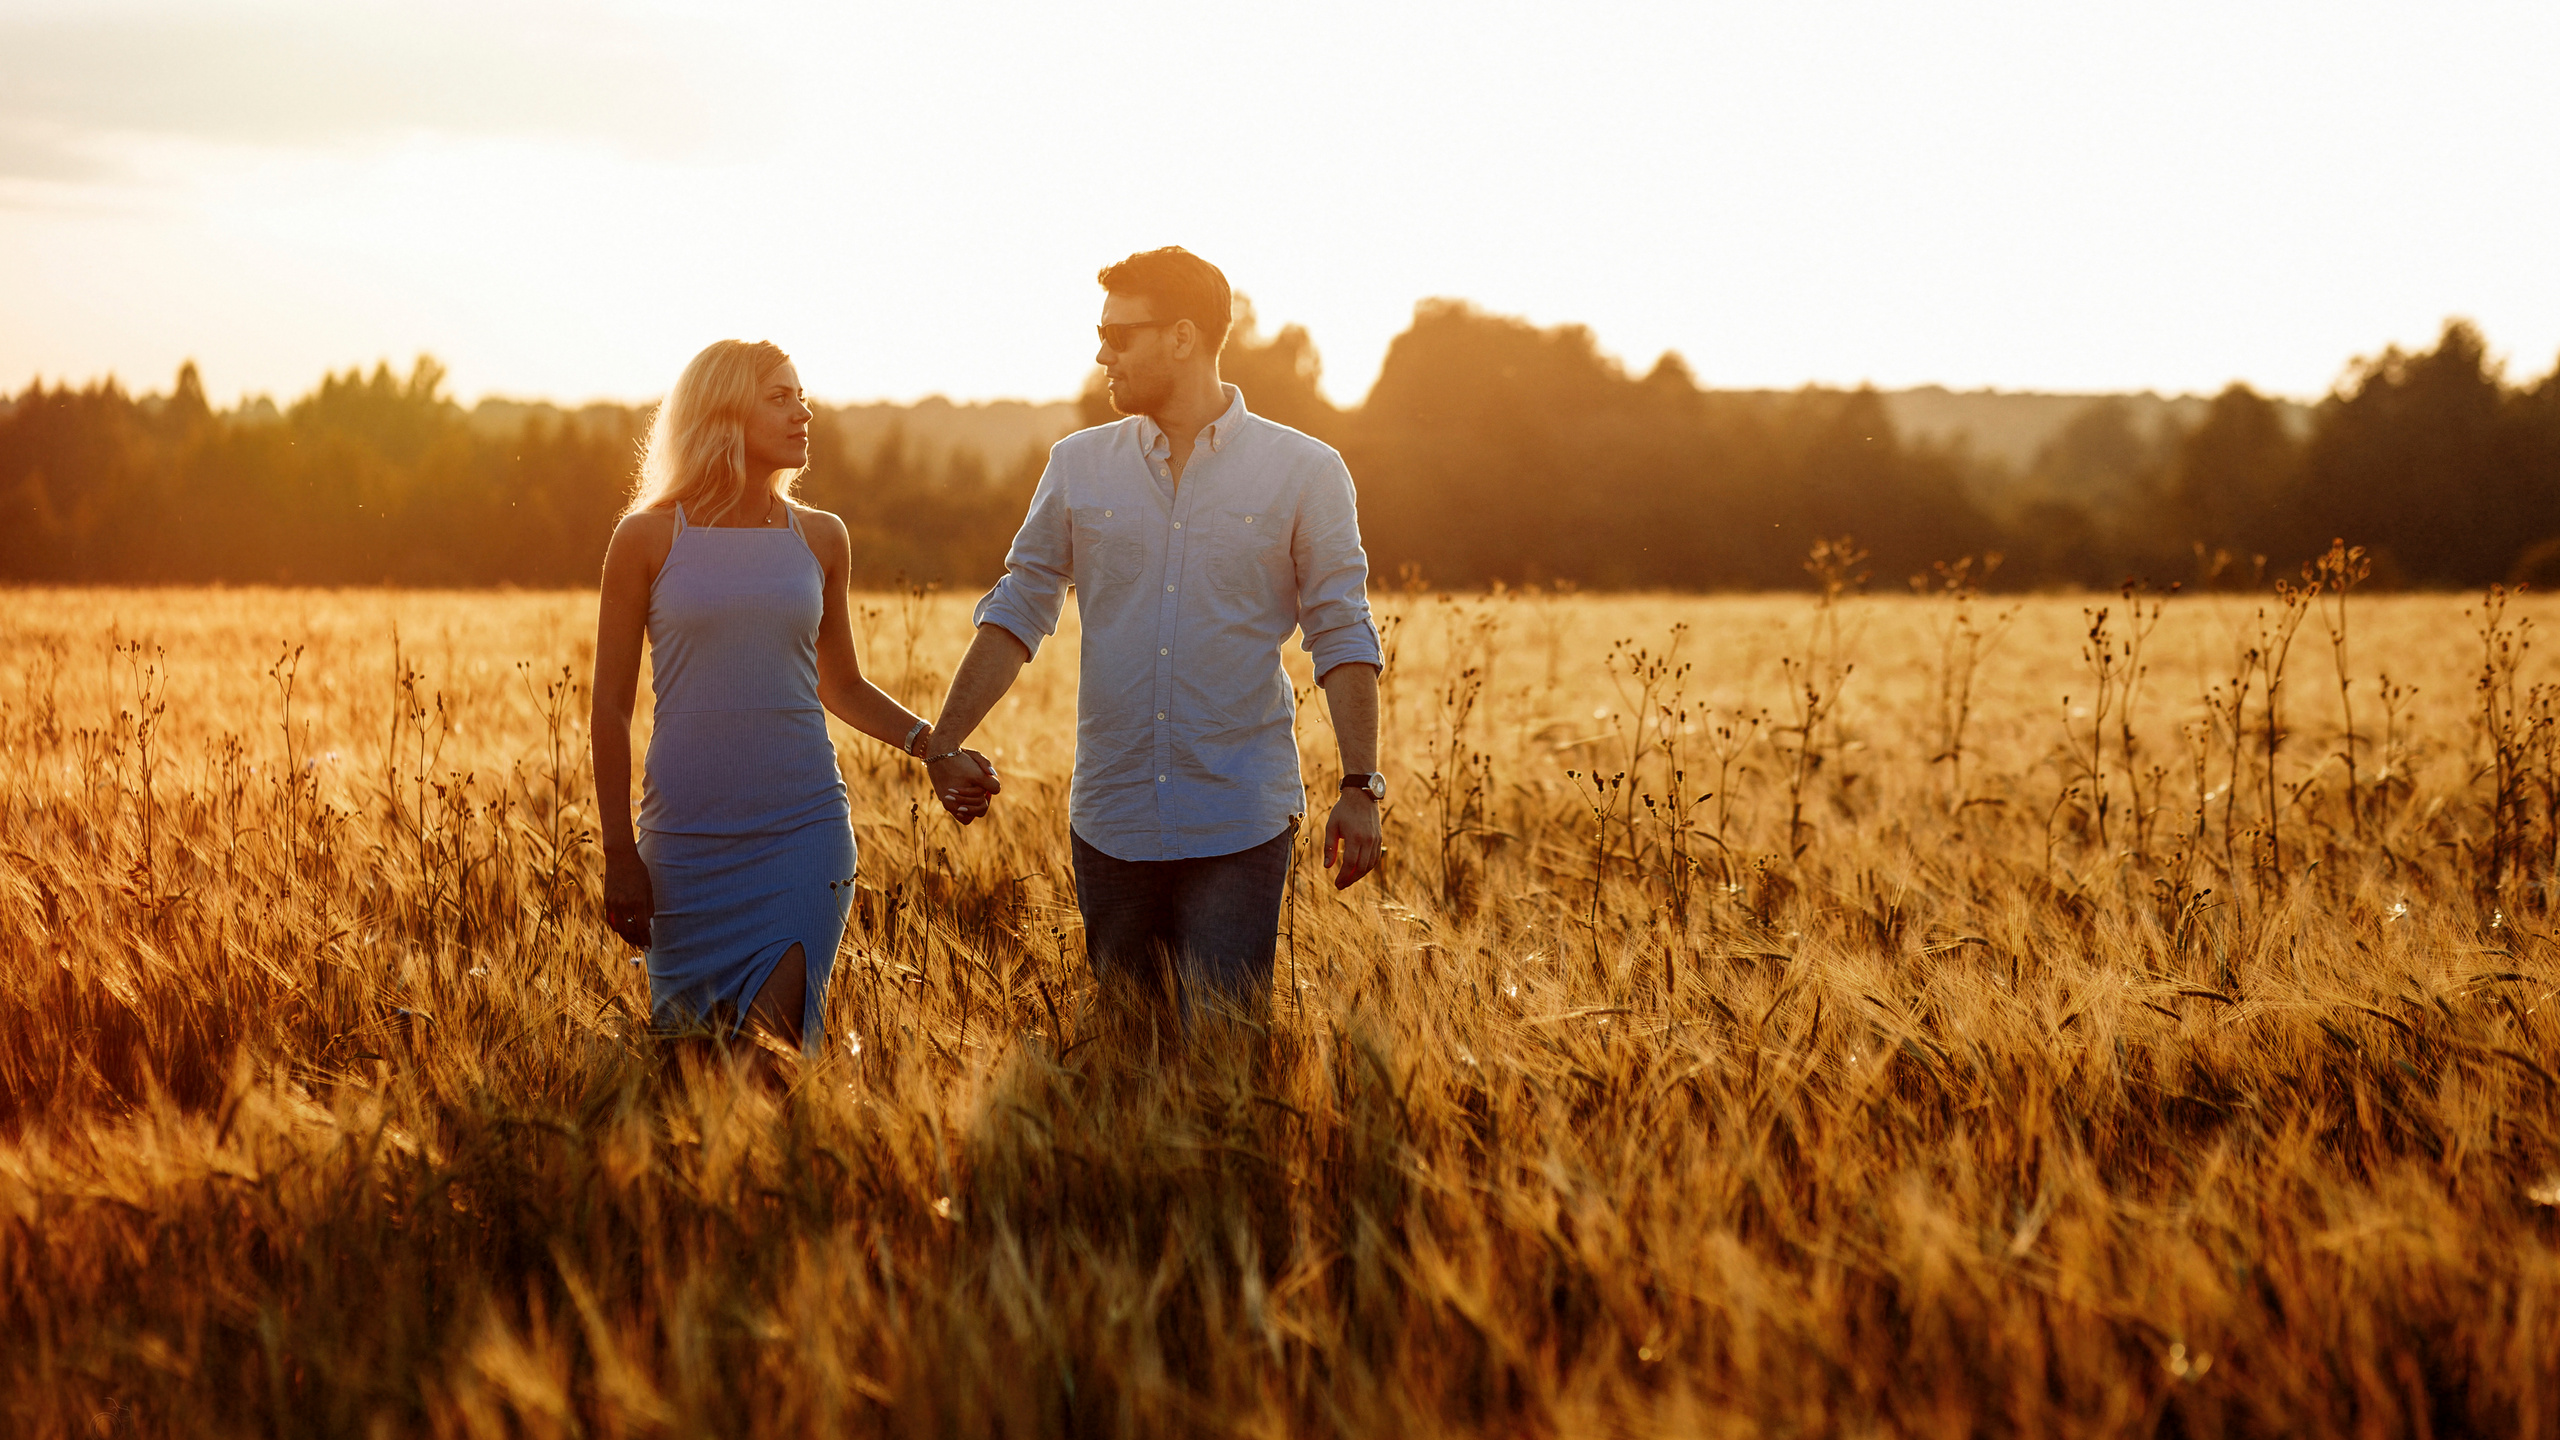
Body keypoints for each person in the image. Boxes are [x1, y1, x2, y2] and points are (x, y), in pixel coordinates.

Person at [926, 247, 1384, 1034]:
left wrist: (1360, 785)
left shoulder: (1305, 470)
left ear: (1182, 337)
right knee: (1123, 1050)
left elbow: (1340, 628)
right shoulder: (1078, 466)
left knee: (1222, 1052)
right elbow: (1020, 605)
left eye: (1118, 334)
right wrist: (944, 740)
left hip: (1239, 817)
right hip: (1112, 816)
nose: (1102, 353)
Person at [590, 339, 994, 1069]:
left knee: (770, 1070)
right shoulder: (646, 539)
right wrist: (619, 849)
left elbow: (839, 684)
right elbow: (610, 707)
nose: (803, 412)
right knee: (689, 1074)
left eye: (801, 396)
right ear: (721, 412)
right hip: (683, 845)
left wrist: (933, 746)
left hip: (801, 834)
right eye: (779, 397)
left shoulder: (820, 537)